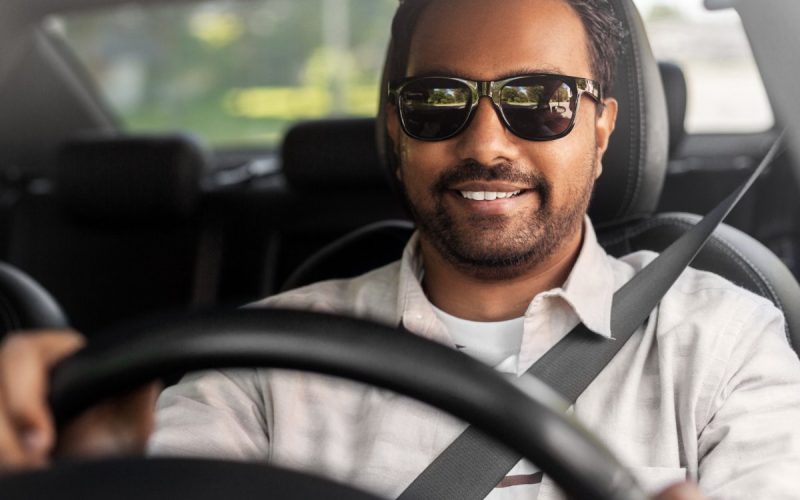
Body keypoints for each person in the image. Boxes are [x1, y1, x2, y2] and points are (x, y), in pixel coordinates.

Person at [0, 0, 798, 498]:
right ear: (397, 129)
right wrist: (99, 474)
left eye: (539, 103)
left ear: (602, 128)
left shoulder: (725, 345)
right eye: (438, 101)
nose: (486, 142)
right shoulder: (266, 360)